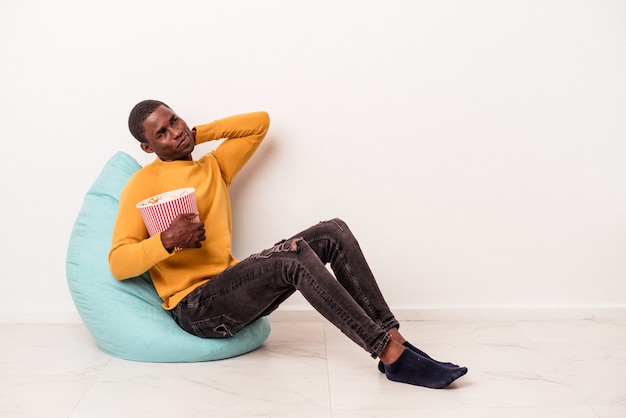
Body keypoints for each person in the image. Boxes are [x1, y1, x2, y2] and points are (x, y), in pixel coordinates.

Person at [109, 100, 468, 389]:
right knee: (290, 259)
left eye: (176, 120)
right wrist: (166, 241)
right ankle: (389, 354)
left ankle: (395, 339)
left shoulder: (212, 167)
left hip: (229, 288)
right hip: (196, 308)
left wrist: (197, 135)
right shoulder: (142, 184)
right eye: (163, 132)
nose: (176, 132)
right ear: (148, 146)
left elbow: (259, 123)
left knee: (333, 231)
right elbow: (118, 263)